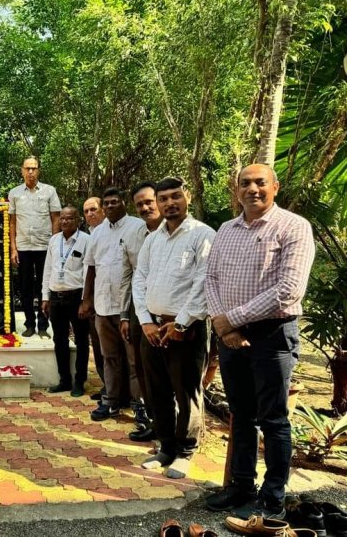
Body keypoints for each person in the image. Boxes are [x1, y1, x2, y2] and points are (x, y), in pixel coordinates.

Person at [205, 164, 315, 519]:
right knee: (241, 414)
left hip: (272, 335)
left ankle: (273, 495)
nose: (252, 189)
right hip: (230, 335)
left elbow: (288, 291)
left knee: (274, 418)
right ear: (237, 190)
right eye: (245, 183)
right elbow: (211, 279)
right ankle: (240, 485)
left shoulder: (294, 227)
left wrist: (231, 319)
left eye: (260, 182)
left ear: (275, 187)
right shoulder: (226, 230)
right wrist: (224, 328)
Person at [132, 177, 215, 479]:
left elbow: (204, 282)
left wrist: (180, 323)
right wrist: (144, 321)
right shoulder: (153, 239)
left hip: (185, 328)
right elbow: (139, 279)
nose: (169, 203)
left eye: (175, 196)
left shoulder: (202, 235)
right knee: (157, 391)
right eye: (163, 198)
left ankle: (185, 451)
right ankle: (166, 447)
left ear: (187, 197)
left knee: (187, 391)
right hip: (152, 328)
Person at [80, 187, 146, 422]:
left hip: (126, 306)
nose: (109, 207)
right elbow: (91, 267)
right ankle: (111, 402)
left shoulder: (136, 227)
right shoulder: (97, 233)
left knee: (133, 359)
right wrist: (86, 299)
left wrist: (133, 308)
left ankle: (140, 406)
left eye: (113, 202)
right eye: (106, 203)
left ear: (123, 204)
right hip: (102, 306)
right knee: (109, 357)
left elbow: (140, 270)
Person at [118, 181, 163, 442]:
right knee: (143, 370)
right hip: (139, 311)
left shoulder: (180, 233)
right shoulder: (136, 235)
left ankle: (179, 434)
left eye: (149, 201)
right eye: (140, 205)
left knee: (169, 376)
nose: (146, 207)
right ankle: (156, 425)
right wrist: (126, 315)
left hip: (169, 314)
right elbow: (130, 276)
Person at [9, 156, 61, 337]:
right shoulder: (15, 193)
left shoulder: (49, 191)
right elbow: (13, 222)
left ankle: (43, 325)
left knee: (44, 286)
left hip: (44, 247)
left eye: (34, 168)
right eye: (27, 168)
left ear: (39, 170)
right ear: (22, 170)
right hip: (23, 247)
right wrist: (13, 249)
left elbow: (56, 218)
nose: (30, 171)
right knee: (25, 287)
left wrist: (55, 245)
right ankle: (29, 323)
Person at [41, 207, 91, 397]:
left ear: (78, 220)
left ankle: (80, 381)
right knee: (59, 340)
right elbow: (47, 270)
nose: (65, 222)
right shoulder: (54, 241)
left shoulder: (86, 240)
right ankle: (64, 380)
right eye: (62, 218)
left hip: (76, 297)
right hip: (56, 297)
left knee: (81, 341)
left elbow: (88, 273)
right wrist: (45, 297)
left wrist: (85, 301)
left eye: (69, 218)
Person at [82, 197, 108, 396]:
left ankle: (116, 391)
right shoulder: (90, 235)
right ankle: (108, 386)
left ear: (103, 211)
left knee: (110, 351)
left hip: (110, 303)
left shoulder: (110, 232)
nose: (90, 214)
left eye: (94, 209)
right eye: (87, 211)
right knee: (99, 348)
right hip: (93, 301)